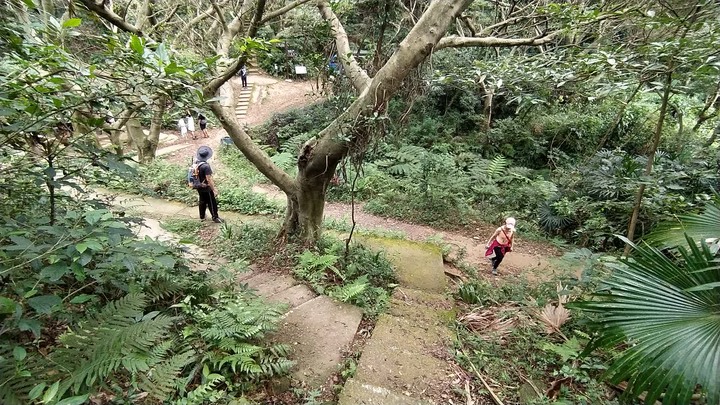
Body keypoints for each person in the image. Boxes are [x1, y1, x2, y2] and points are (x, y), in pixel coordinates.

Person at [192, 146, 222, 223]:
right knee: (211, 202)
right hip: (206, 188)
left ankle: (202, 216)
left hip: (198, 185)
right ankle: (215, 217)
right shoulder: (206, 166)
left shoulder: (196, 163)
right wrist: (214, 189)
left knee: (202, 201)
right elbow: (209, 179)